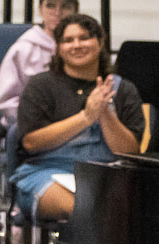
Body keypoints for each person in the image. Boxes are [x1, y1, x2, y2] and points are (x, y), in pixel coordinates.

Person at [13, 12, 148, 220]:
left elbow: (130, 152)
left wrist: (105, 114)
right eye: (68, 40)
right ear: (58, 47)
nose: (77, 45)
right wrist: (85, 117)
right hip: (46, 174)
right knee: (85, 210)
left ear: (100, 42)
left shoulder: (123, 89)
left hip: (108, 177)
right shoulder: (41, 85)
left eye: (84, 38)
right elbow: (31, 142)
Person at [0, 0, 79, 129]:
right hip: (32, 129)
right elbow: (7, 103)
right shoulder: (23, 49)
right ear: (40, 10)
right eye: (50, 6)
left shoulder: (85, 48)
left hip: (79, 129)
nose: (58, 12)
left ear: (76, 10)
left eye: (65, 6)